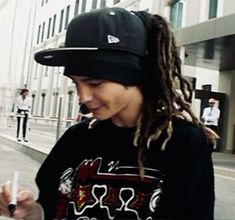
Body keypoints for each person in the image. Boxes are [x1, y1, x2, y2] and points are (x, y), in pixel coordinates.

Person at [0, 7, 218, 219]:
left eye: (95, 82)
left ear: (133, 74)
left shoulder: (184, 144)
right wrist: (30, 212)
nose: (82, 96)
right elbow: (50, 207)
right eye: (76, 83)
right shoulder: (75, 139)